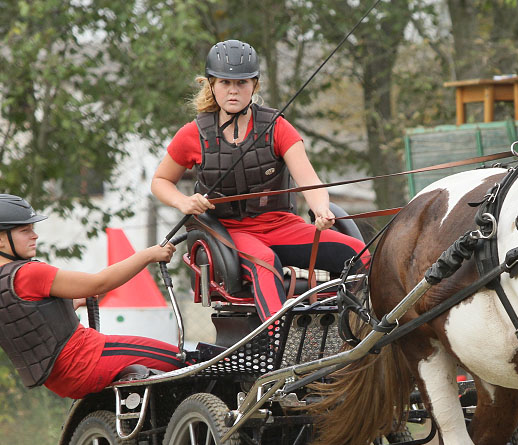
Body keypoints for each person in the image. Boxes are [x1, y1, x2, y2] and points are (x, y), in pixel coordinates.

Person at [151, 39, 366, 322]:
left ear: (255, 85)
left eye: (241, 83)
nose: (233, 90)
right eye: (225, 82)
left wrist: (321, 209)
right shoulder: (192, 134)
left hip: (281, 225)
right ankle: (276, 345)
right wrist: (183, 202)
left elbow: (310, 181)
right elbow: (160, 181)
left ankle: (361, 331)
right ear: (211, 84)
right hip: (230, 233)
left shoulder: (277, 126)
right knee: (264, 262)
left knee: (355, 253)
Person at [0, 194, 184, 400]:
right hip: (87, 359)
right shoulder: (30, 273)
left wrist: (73, 302)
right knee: (185, 361)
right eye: (25, 230)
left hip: (61, 378)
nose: (34, 235)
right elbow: (99, 282)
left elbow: (33, 319)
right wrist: (149, 255)